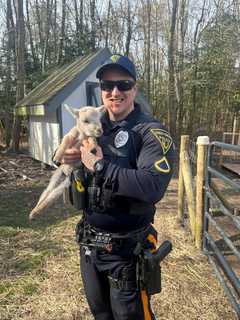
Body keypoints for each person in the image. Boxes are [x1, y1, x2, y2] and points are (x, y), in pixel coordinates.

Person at [61, 54, 175, 320]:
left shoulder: (150, 131)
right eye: (107, 86)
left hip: (127, 253)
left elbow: (152, 186)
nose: (115, 92)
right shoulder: (94, 128)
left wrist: (100, 167)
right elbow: (79, 179)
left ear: (134, 88)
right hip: (90, 247)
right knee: (101, 315)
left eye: (123, 84)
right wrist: (72, 163)